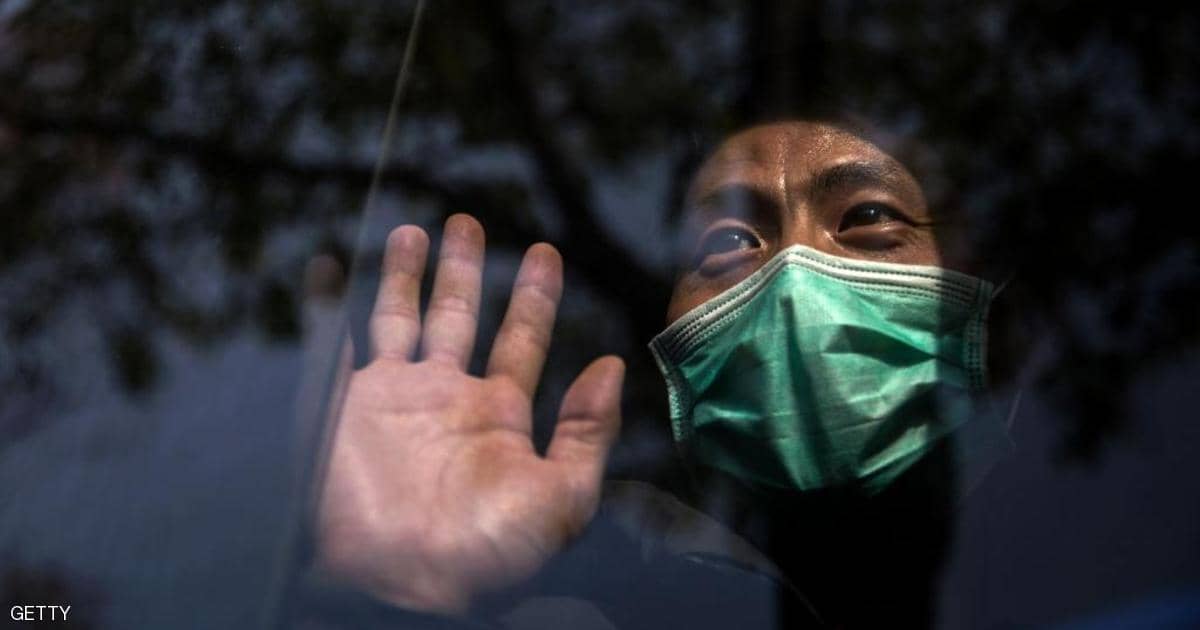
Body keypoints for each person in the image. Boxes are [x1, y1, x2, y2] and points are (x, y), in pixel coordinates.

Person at [297, 120, 1006, 629]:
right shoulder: (594, 603)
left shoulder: (1069, 546)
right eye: (729, 241)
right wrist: (398, 588)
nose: (794, 276)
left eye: (867, 217)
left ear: (967, 270)